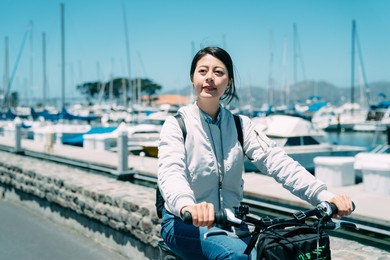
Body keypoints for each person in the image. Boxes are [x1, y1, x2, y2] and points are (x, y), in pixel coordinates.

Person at [157, 46, 353, 260]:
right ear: (192, 77)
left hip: (232, 222)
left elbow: (279, 163)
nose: (210, 78)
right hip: (183, 222)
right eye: (203, 71)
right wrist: (188, 205)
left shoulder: (240, 125)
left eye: (218, 72)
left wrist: (325, 197)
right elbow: (170, 172)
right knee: (237, 256)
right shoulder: (177, 125)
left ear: (229, 81)